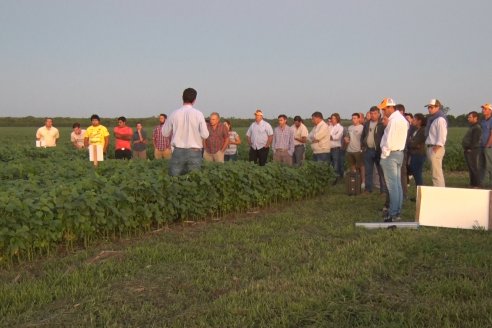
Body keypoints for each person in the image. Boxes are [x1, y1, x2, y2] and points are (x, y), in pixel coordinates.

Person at [162, 88, 209, 176]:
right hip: (194, 151)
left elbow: (165, 133)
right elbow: (205, 135)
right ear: (194, 100)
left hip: (178, 151)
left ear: (182, 98)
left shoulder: (174, 113)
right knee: (194, 179)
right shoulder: (198, 114)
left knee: (175, 179)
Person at [378, 98, 408, 222]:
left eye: (384, 109)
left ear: (391, 107)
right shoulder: (402, 119)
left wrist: (384, 155)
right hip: (399, 153)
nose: (383, 112)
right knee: (397, 185)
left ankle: (393, 213)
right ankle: (397, 211)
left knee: (392, 186)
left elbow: (389, 141)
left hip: (390, 155)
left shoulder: (394, 121)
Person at [361, 106, 386, 193]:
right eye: (371, 113)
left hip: (378, 150)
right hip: (368, 150)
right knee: (368, 170)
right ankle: (368, 189)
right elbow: (363, 135)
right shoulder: (367, 124)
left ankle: (383, 190)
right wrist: (363, 145)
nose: (373, 115)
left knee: (381, 171)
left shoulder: (382, 124)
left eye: (375, 113)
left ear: (379, 114)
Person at [424, 99, 447, 187]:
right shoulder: (433, 119)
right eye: (428, 107)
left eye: (432, 107)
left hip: (436, 148)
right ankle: (438, 190)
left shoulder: (440, 119)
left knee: (437, 173)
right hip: (432, 147)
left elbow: (442, 134)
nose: (429, 109)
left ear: (438, 107)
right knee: (435, 172)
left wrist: (437, 146)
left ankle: (440, 192)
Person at [345, 113, 365, 189]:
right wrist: (346, 139)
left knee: (361, 166)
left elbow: (363, 139)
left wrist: (362, 148)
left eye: (355, 118)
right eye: (352, 118)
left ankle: (363, 181)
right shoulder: (349, 127)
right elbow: (347, 136)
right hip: (350, 150)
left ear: (359, 119)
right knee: (352, 166)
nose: (353, 120)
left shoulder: (362, 127)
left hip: (358, 150)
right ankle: (354, 181)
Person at [462, 111, 482, 188]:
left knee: (473, 167)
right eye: (468, 117)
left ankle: (477, 184)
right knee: (471, 167)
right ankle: (472, 184)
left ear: (475, 118)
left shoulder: (477, 127)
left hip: (472, 150)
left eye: (470, 117)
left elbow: (475, 140)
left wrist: (470, 148)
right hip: (469, 150)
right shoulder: (473, 126)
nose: (468, 118)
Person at [408, 113, 427, 187]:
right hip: (415, 154)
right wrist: (411, 142)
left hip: (419, 155)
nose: (412, 120)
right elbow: (412, 142)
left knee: (417, 174)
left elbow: (414, 143)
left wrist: (411, 142)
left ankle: (420, 194)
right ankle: (418, 193)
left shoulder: (422, 130)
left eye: (414, 119)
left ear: (419, 121)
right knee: (416, 174)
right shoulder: (416, 130)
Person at [329, 113, 344, 183]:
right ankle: (331, 177)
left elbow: (337, 137)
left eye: (334, 118)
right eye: (332, 118)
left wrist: (331, 137)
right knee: (330, 164)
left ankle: (336, 179)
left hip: (335, 148)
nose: (332, 119)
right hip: (329, 148)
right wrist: (331, 137)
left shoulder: (340, 128)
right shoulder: (329, 127)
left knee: (335, 164)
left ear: (337, 119)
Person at [480, 103, 492, 187]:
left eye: (485, 109)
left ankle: (486, 183)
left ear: (490, 110)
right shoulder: (483, 121)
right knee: (482, 165)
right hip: (482, 146)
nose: (483, 110)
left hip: (489, 147)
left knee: (489, 165)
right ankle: (483, 183)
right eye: (483, 108)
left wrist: (488, 144)